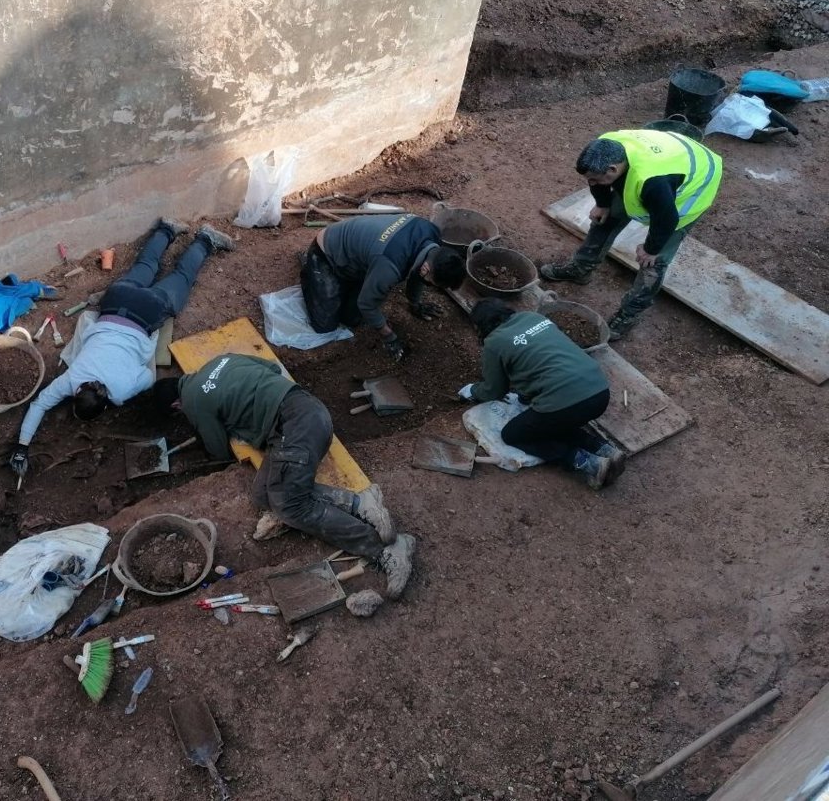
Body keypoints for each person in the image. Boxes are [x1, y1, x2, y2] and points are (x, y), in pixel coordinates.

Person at [153, 353, 416, 598]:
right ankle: (360, 503)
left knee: (291, 507)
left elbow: (218, 449)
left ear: (177, 404)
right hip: (306, 413)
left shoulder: (193, 402)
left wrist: (221, 427)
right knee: (262, 495)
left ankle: (386, 550)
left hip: (296, 428)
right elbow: (272, 368)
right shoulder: (220, 361)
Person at [8, 219, 235, 477]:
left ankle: (205, 240)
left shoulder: (122, 391)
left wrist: (136, 359)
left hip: (149, 311)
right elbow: (39, 405)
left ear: (106, 405)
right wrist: (21, 447)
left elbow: (148, 375)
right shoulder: (71, 379)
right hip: (116, 300)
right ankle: (167, 229)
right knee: (146, 265)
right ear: (78, 393)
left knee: (182, 277)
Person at [539, 129, 723, 340]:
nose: (591, 183)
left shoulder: (651, 181)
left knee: (653, 262)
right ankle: (581, 269)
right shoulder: (605, 146)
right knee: (605, 218)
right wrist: (602, 204)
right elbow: (595, 180)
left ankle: (629, 314)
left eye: (595, 179)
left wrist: (651, 249)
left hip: (697, 181)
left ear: (613, 169)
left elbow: (667, 219)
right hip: (666, 156)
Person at [457, 299, 626, 490]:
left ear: (481, 326)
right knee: (550, 424)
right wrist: (525, 397)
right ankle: (604, 449)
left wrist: (472, 390)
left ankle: (588, 463)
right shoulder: (533, 317)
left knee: (513, 434)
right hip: (599, 392)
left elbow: (493, 391)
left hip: (569, 403)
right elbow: (541, 363)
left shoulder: (494, 342)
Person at [300, 213, 466, 361]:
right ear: (426, 269)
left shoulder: (433, 237)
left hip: (362, 256)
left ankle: (344, 278)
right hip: (326, 250)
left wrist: (415, 304)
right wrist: (389, 337)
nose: (429, 285)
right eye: (431, 283)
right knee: (325, 325)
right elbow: (367, 305)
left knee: (351, 318)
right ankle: (309, 269)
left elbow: (419, 274)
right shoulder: (390, 265)